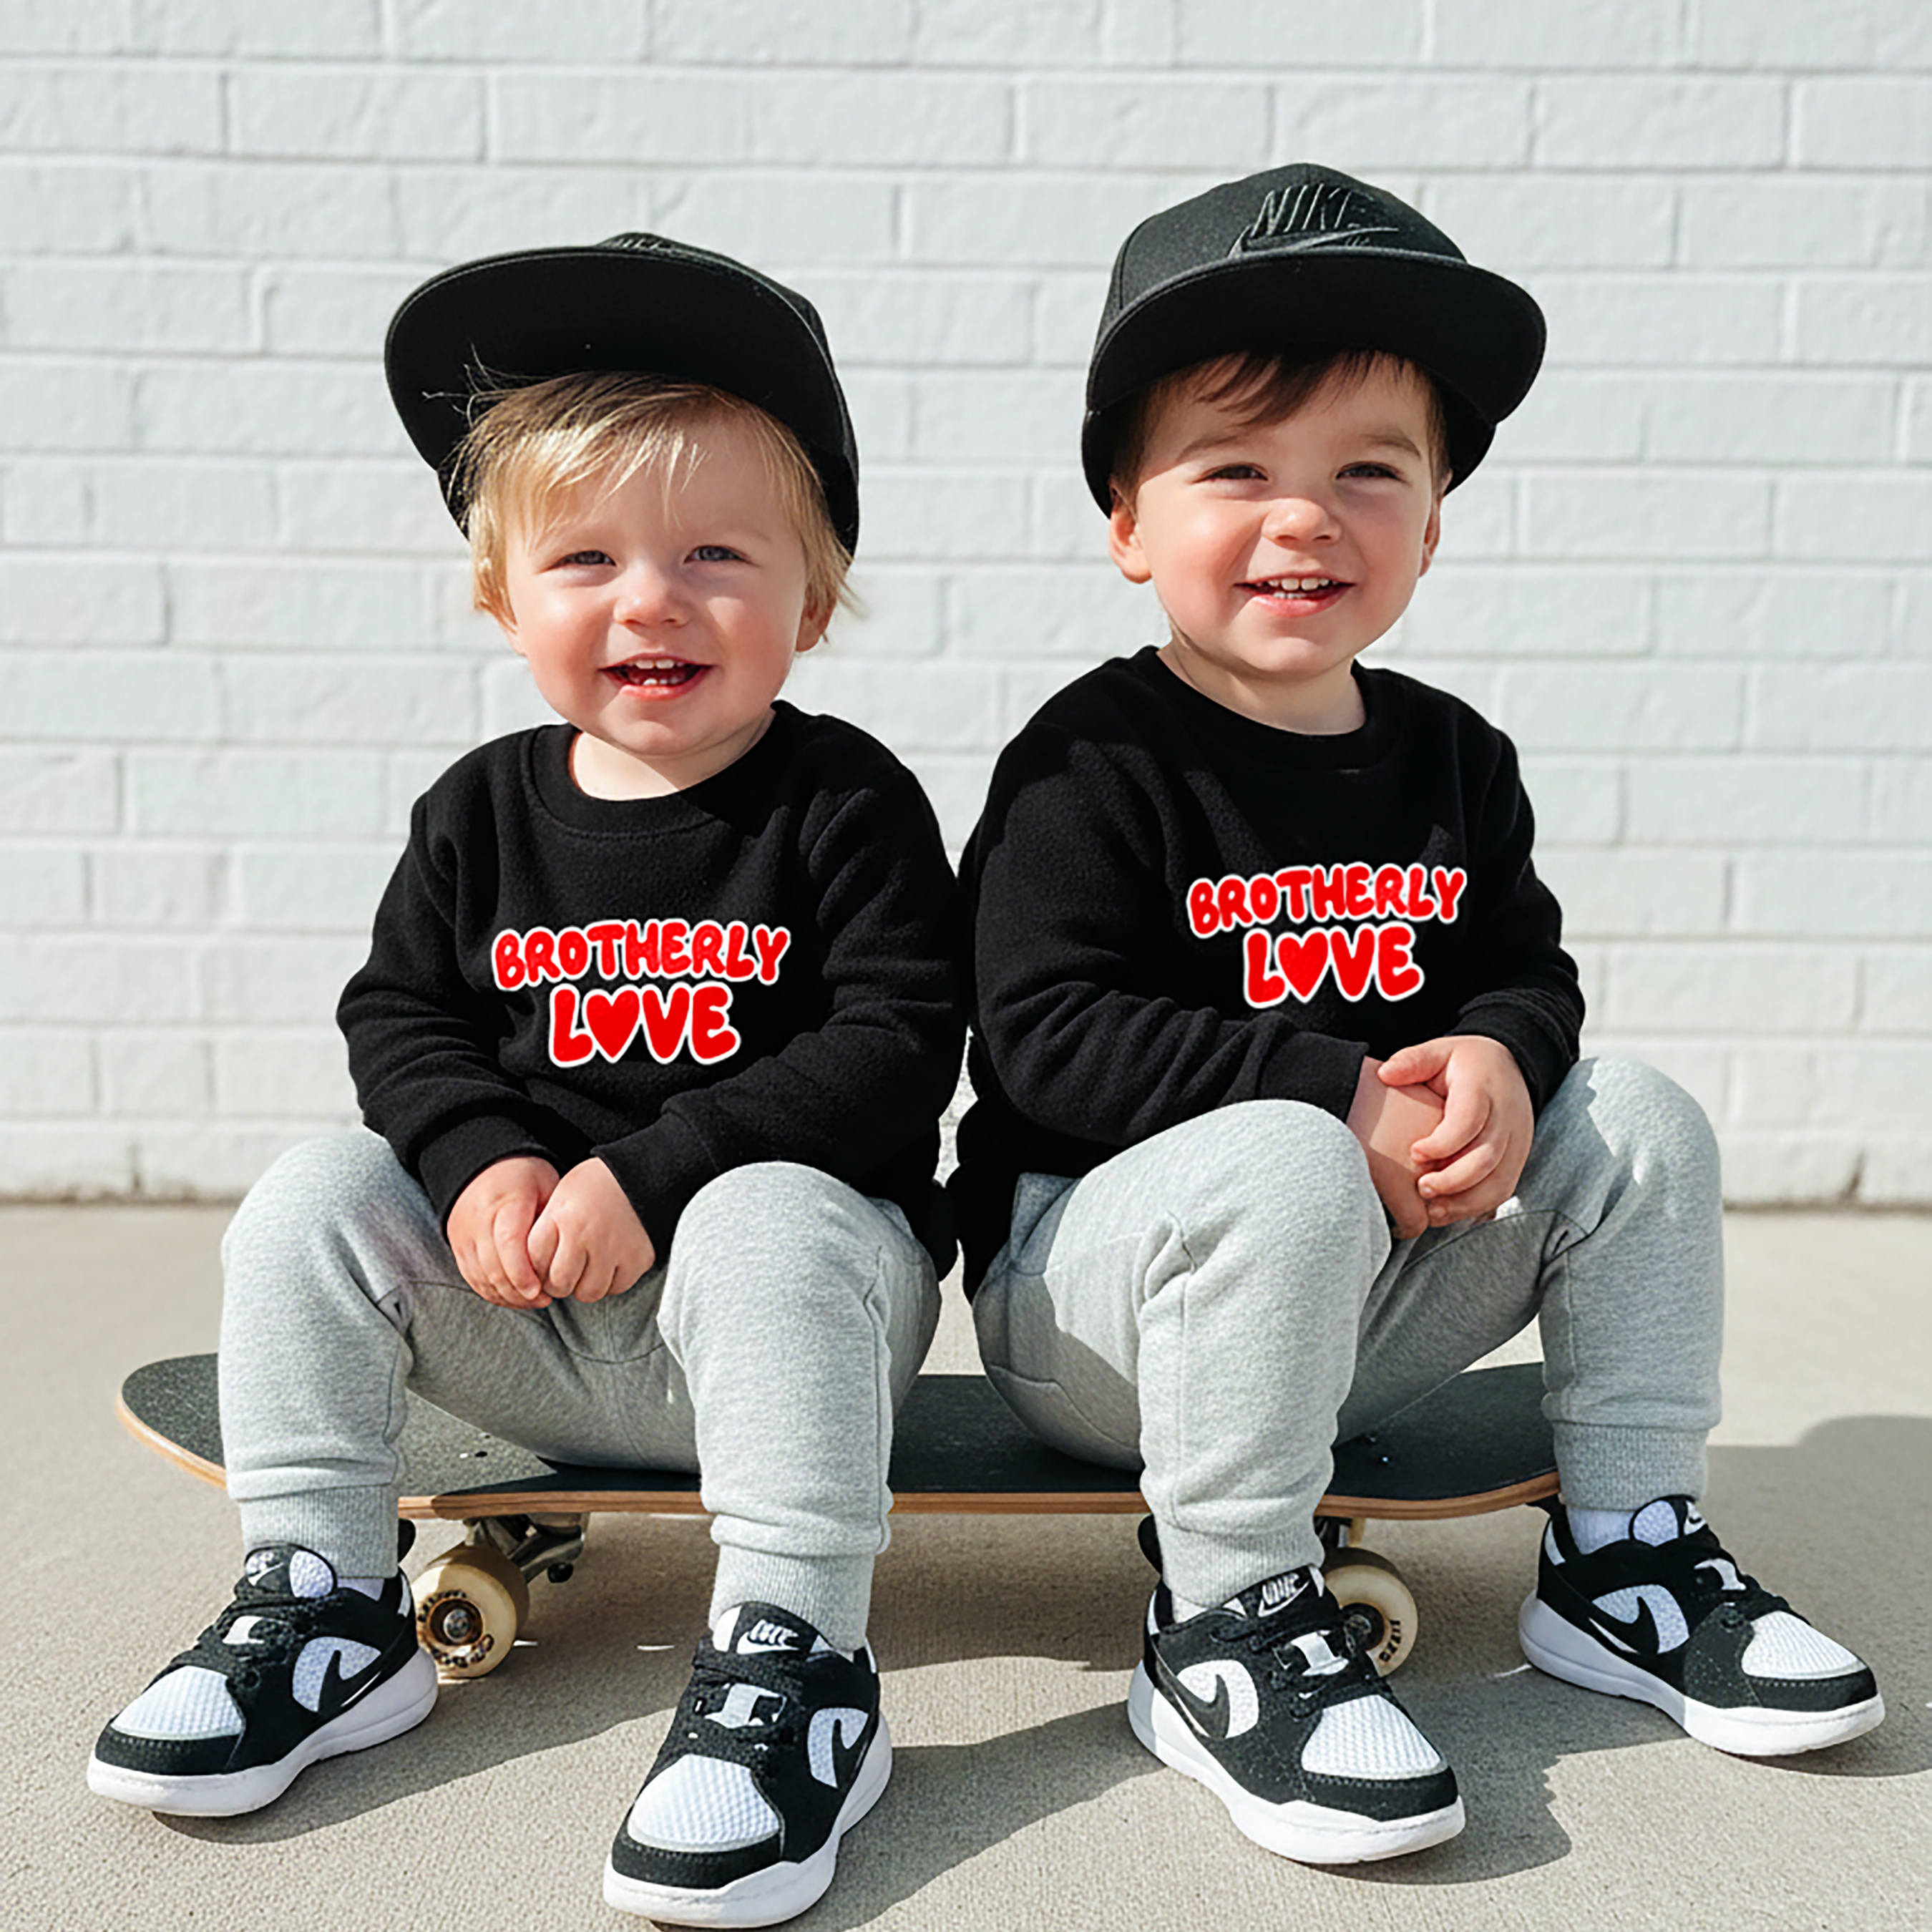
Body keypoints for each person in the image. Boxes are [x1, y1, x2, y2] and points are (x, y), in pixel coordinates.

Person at [952, 164, 1883, 1867]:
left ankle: (1624, 1556)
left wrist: (1506, 1059)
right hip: (1095, 1310)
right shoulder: (1091, 764)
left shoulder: (1455, 757)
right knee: (1287, 1156)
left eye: (1368, 474)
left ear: (1434, 523)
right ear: (1128, 520)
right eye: (1237, 468)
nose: (1305, 517)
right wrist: (1333, 1091)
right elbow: (1042, 1037)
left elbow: (1526, 969)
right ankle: (1225, 1618)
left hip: (1356, 1294)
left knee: (1641, 1112)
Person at [88, 233, 963, 1928]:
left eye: (716, 554)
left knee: (773, 1218)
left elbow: (895, 1047)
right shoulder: (480, 812)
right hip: (531, 1331)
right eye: (586, 558)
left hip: (788, 1334)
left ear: (812, 597)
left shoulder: (843, 805)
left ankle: (797, 1657)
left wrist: (655, 1171)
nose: (653, 598)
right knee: (316, 1194)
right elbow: (400, 1015)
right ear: (504, 597)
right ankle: (325, 1600)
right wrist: (480, 1154)